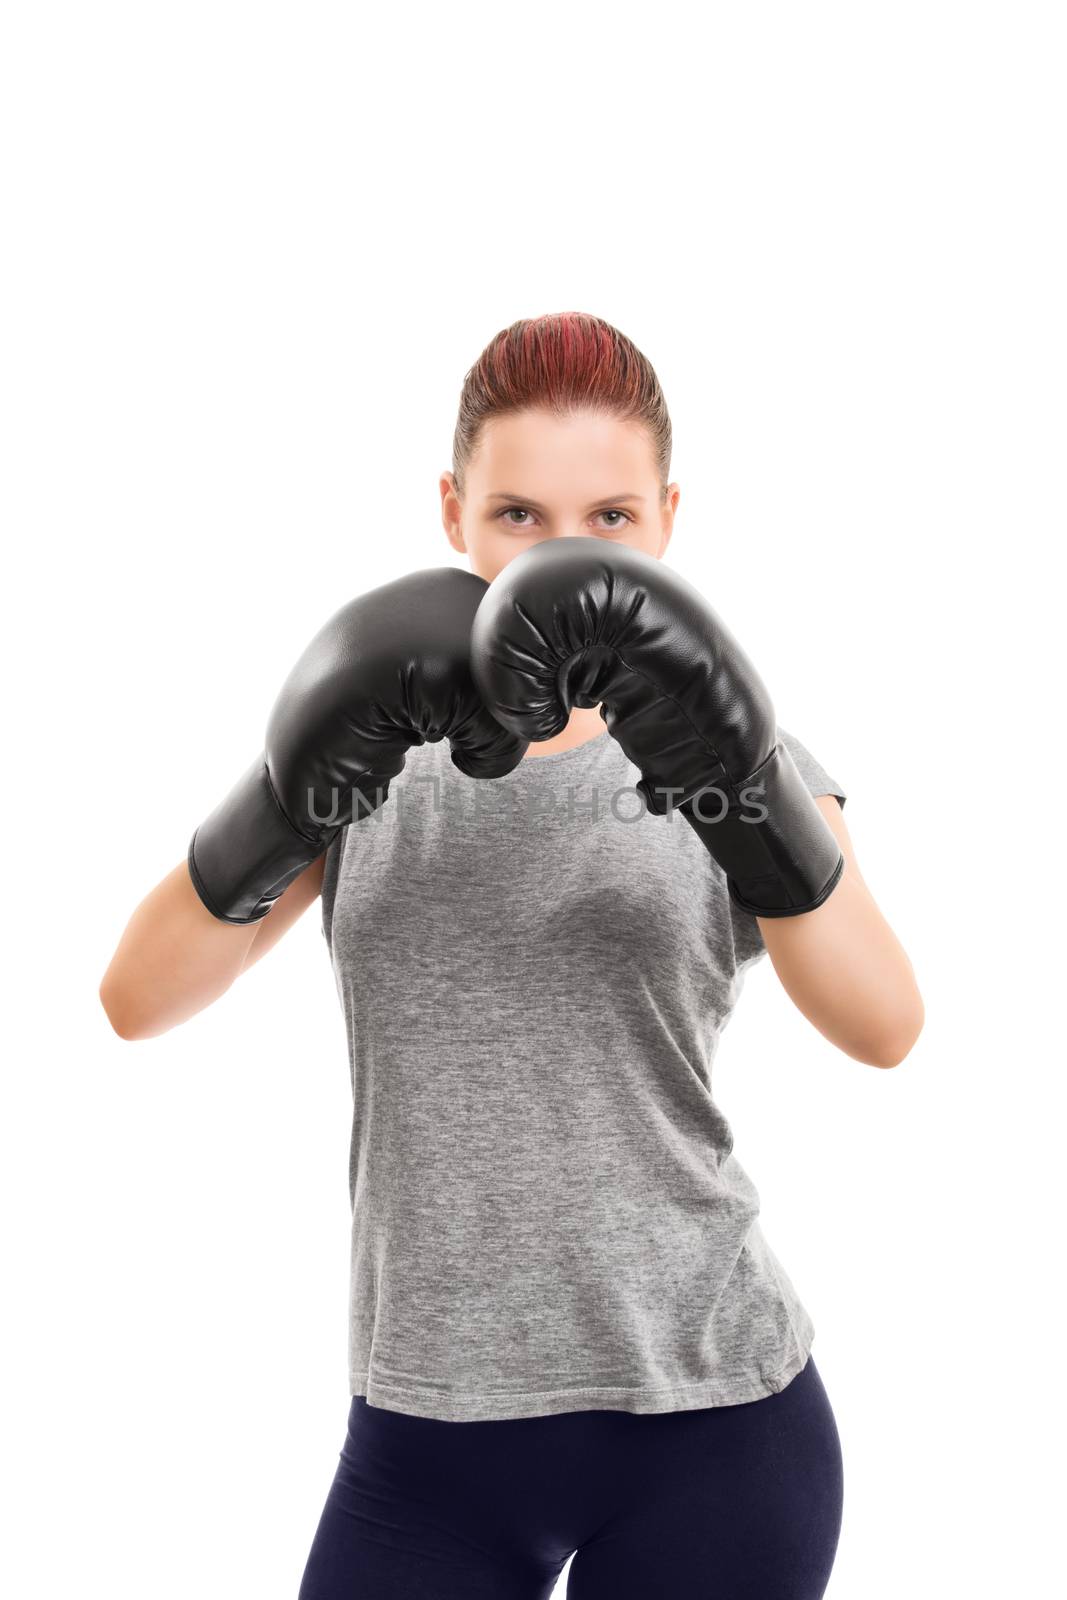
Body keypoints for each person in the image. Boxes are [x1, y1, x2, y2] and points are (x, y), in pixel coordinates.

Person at [100, 311, 924, 1598]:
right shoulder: (375, 744)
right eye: (518, 516)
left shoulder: (735, 748)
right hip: (427, 1431)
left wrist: (737, 786)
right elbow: (135, 1001)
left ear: (664, 518)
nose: (561, 556)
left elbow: (885, 1025)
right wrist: (285, 792)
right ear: (451, 512)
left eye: (608, 516)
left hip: (713, 1416)